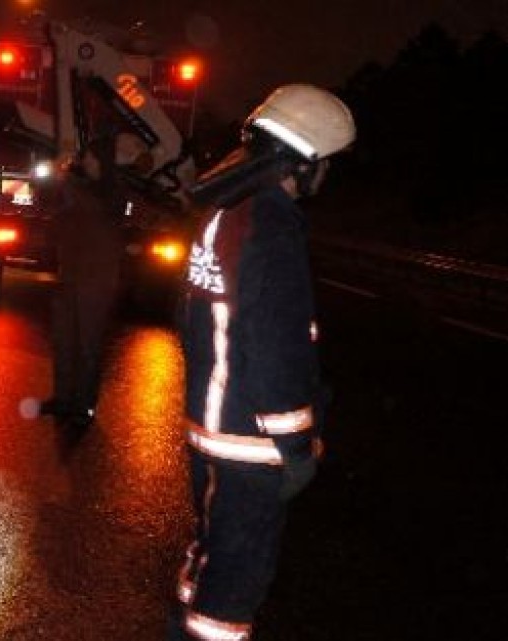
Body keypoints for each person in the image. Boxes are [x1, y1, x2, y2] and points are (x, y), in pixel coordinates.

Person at [168, 84, 355, 640]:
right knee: (231, 593)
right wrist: (296, 447)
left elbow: (192, 319)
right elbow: (277, 349)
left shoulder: (226, 211)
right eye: (330, 164)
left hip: (212, 432)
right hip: (250, 449)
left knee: (207, 562)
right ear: (308, 160)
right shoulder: (271, 226)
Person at [37, 135, 129, 430]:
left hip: (96, 280)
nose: (85, 162)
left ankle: (84, 405)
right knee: (63, 340)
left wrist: (67, 181)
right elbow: (47, 198)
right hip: (70, 274)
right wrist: (55, 175)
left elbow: (95, 208)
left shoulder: (112, 190)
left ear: (104, 161)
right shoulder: (77, 186)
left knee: (88, 344)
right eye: (85, 157)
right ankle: (63, 399)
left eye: (91, 158)